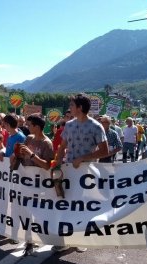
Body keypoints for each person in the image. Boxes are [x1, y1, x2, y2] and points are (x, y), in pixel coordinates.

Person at [54, 93, 108, 253]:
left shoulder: (96, 126)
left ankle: (81, 239)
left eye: (71, 105)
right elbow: (62, 146)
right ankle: (63, 239)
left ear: (80, 108)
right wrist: (57, 163)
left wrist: (83, 158)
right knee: (66, 203)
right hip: (69, 170)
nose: (69, 108)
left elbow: (105, 151)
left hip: (87, 172)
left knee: (83, 206)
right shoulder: (69, 125)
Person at [12, 114, 54, 256]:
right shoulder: (28, 138)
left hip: (39, 184)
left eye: (30, 125)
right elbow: (20, 157)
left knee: (36, 214)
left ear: (37, 126)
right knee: (26, 213)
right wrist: (16, 155)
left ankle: (40, 239)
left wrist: (31, 155)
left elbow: (47, 166)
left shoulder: (47, 143)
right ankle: (29, 242)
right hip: (25, 181)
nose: (27, 127)